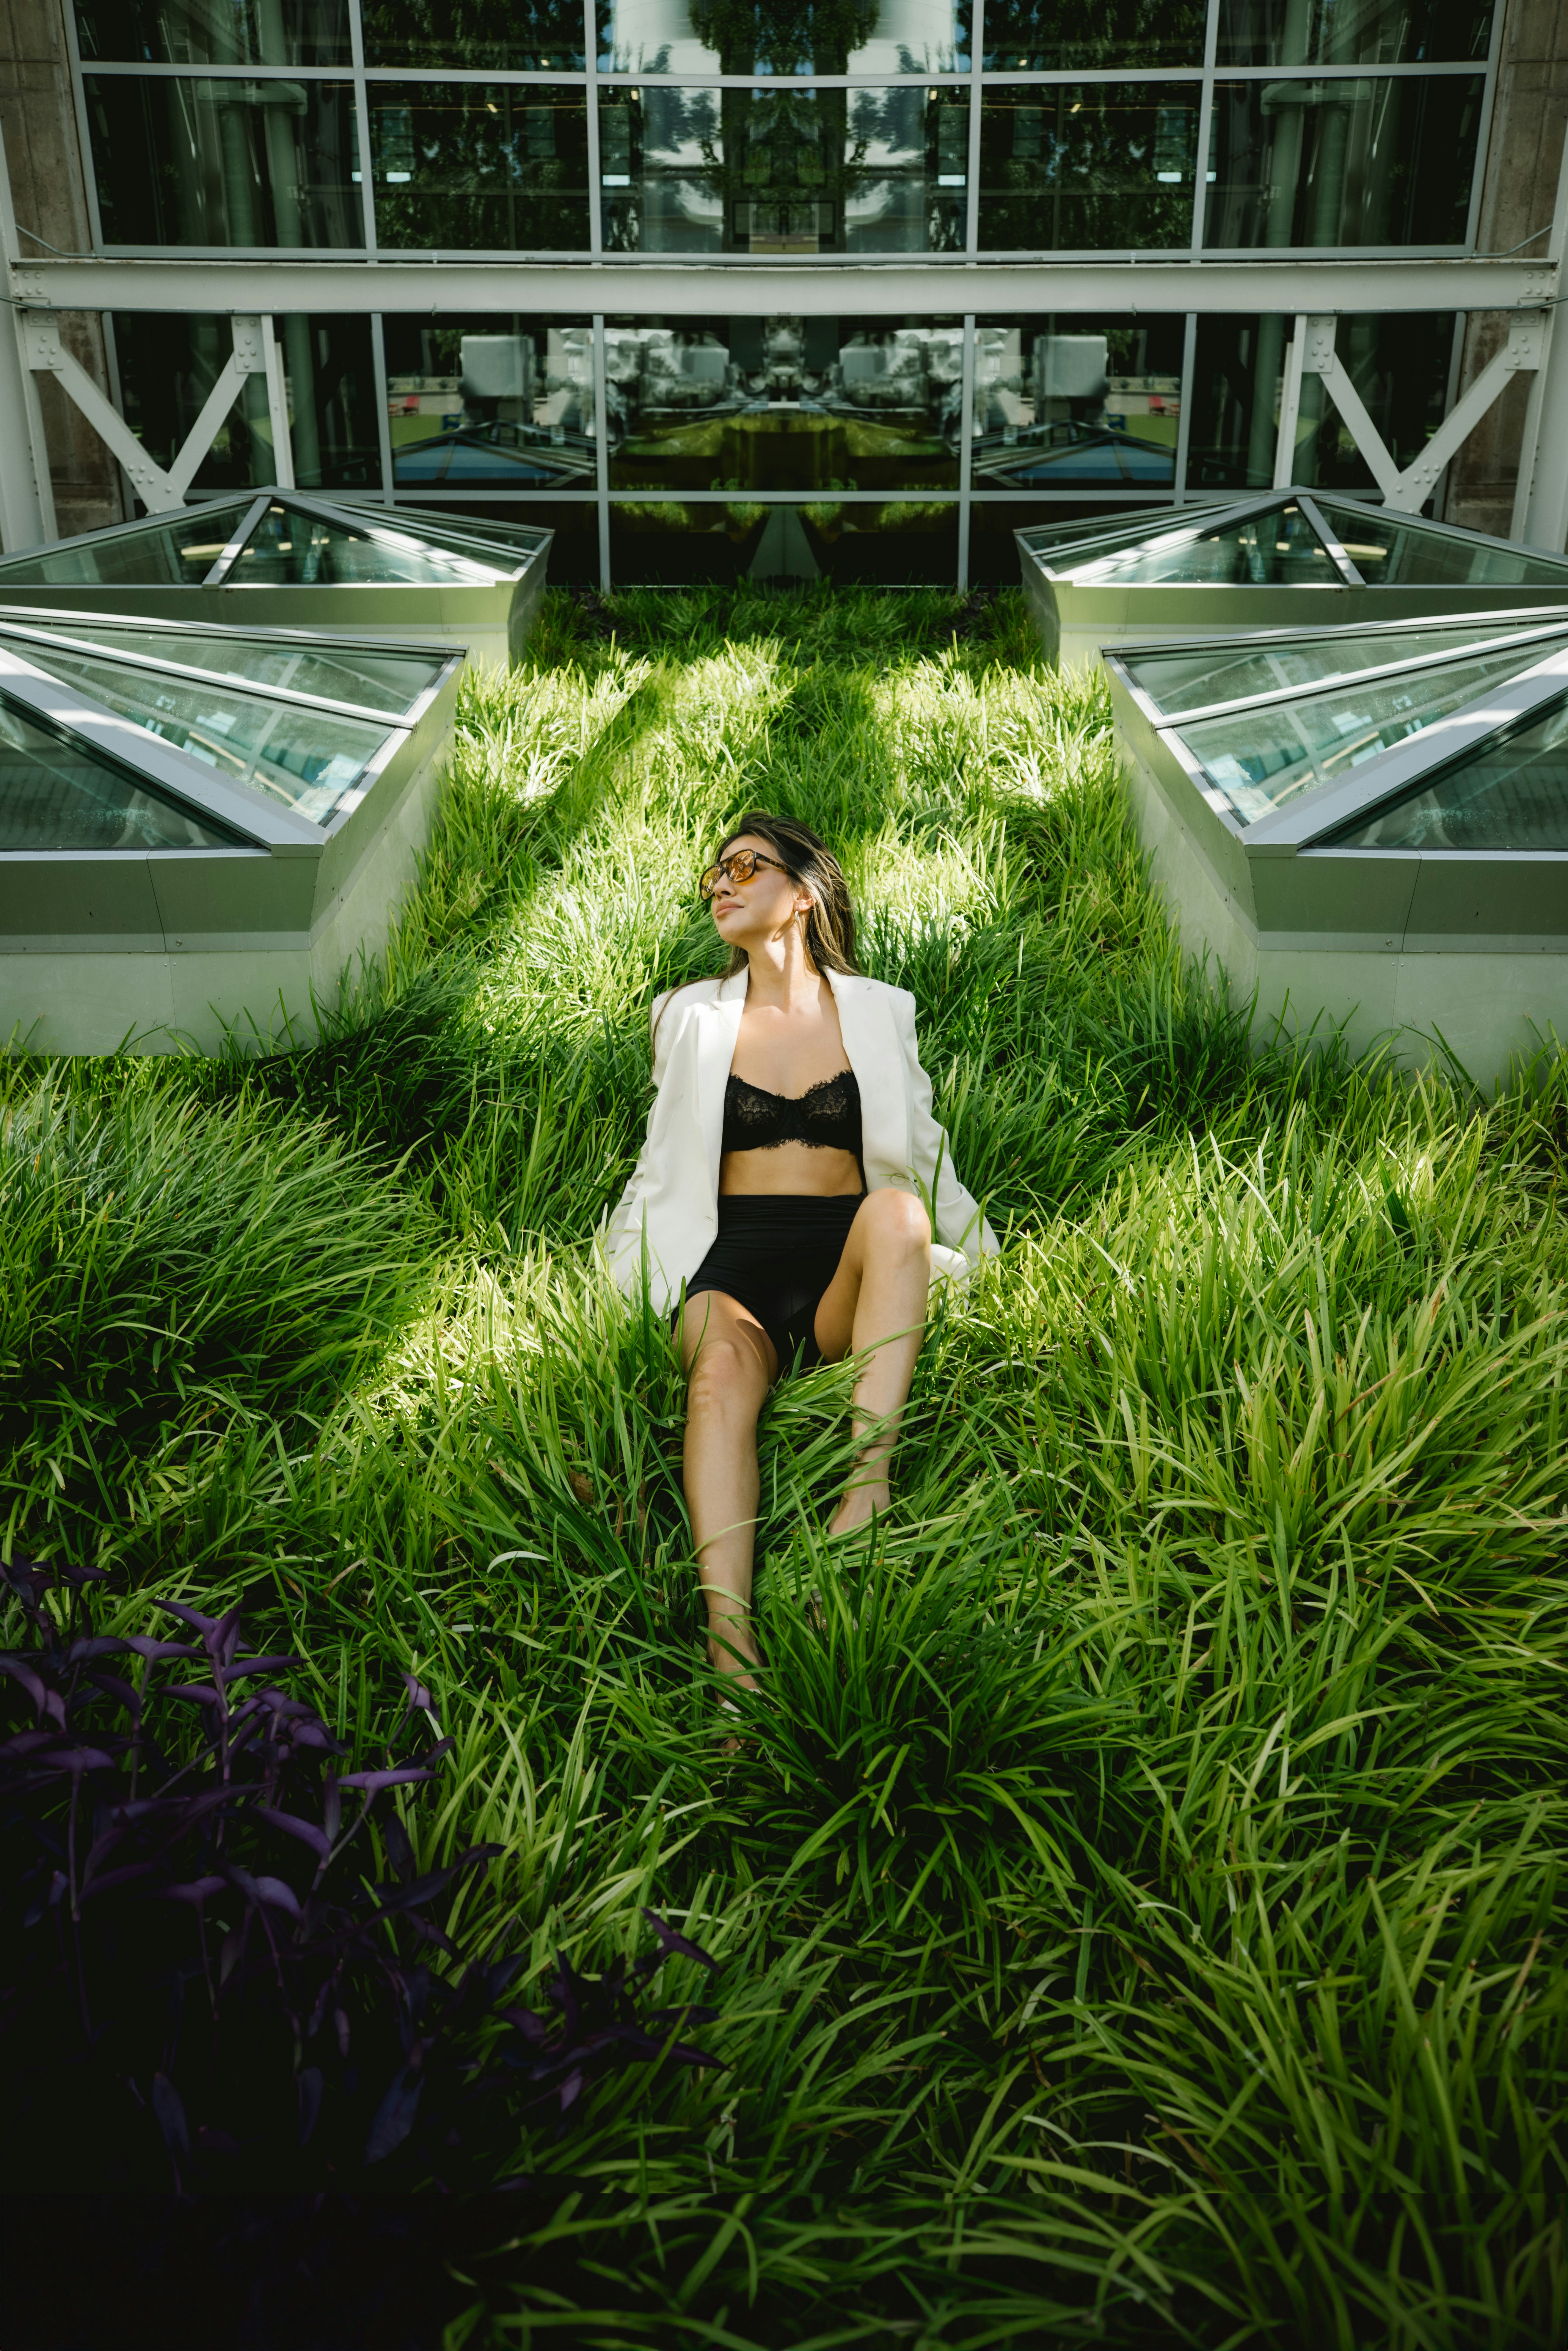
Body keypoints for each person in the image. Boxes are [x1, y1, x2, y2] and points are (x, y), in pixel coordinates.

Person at [603, 813, 998, 1698]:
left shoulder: (880, 1010)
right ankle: (730, 1651)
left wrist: (973, 1247)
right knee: (714, 1381)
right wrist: (620, 1266)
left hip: (842, 1264)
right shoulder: (684, 1014)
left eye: (744, 866)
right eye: (713, 874)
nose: (720, 884)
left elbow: (921, 1148)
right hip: (728, 1260)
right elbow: (658, 1161)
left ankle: (865, 1492)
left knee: (895, 1209)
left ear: (802, 892)